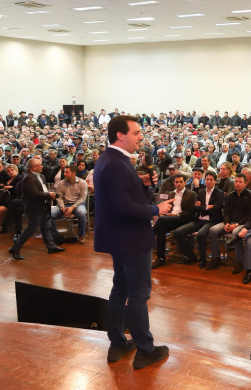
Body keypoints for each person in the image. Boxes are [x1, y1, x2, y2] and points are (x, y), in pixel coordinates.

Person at [93, 115, 172, 369]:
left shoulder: (110, 159)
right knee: (138, 295)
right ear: (120, 135)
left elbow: (123, 196)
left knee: (121, 289)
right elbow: (123, 206)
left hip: (119, 237)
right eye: (136, 133)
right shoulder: (116, 164)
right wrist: (156, 209)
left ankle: (118, 342)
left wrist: (142, 185)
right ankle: (145, 350)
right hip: (131, 238)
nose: (140, 137)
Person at [7, 156, 65, 259]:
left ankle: (51, 247)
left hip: (43, 206)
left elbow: (42, 190)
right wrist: (49, 195)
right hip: (35, 208)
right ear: (34, 167)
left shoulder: (40, 176)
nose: (42, 166)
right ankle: (15, 249)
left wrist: (49, 195)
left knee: (46, 227)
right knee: (31, 229)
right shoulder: (28, 178)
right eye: (40, 165)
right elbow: (34, 194)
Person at [171, 171, 224, 269]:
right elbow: (195, 207)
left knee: (201, 234)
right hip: (199, 219)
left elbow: (216, 208)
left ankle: (203, 259)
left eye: (211, 180)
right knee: (178, 232)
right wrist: (207, 207)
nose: (208, 181)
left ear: (215, 181)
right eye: (207, 179)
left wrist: (202, 207)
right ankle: (190, 255)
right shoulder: (200, 192)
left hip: (211, 221)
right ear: (204, 180)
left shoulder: (219, 193)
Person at [150, 173, 197, 268]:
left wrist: (177, 214)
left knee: (161, 220)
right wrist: (168, 213)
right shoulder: (171, 194)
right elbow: (169, 208)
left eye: (181, 182)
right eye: (176, 182)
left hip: (184, 219)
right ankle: (161, 257)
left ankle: (148, 236)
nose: (178, 184)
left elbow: (191, 212)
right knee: (161, 229)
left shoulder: (191, 194)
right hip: (171, 219)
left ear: (185, 182)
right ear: (174, 183)